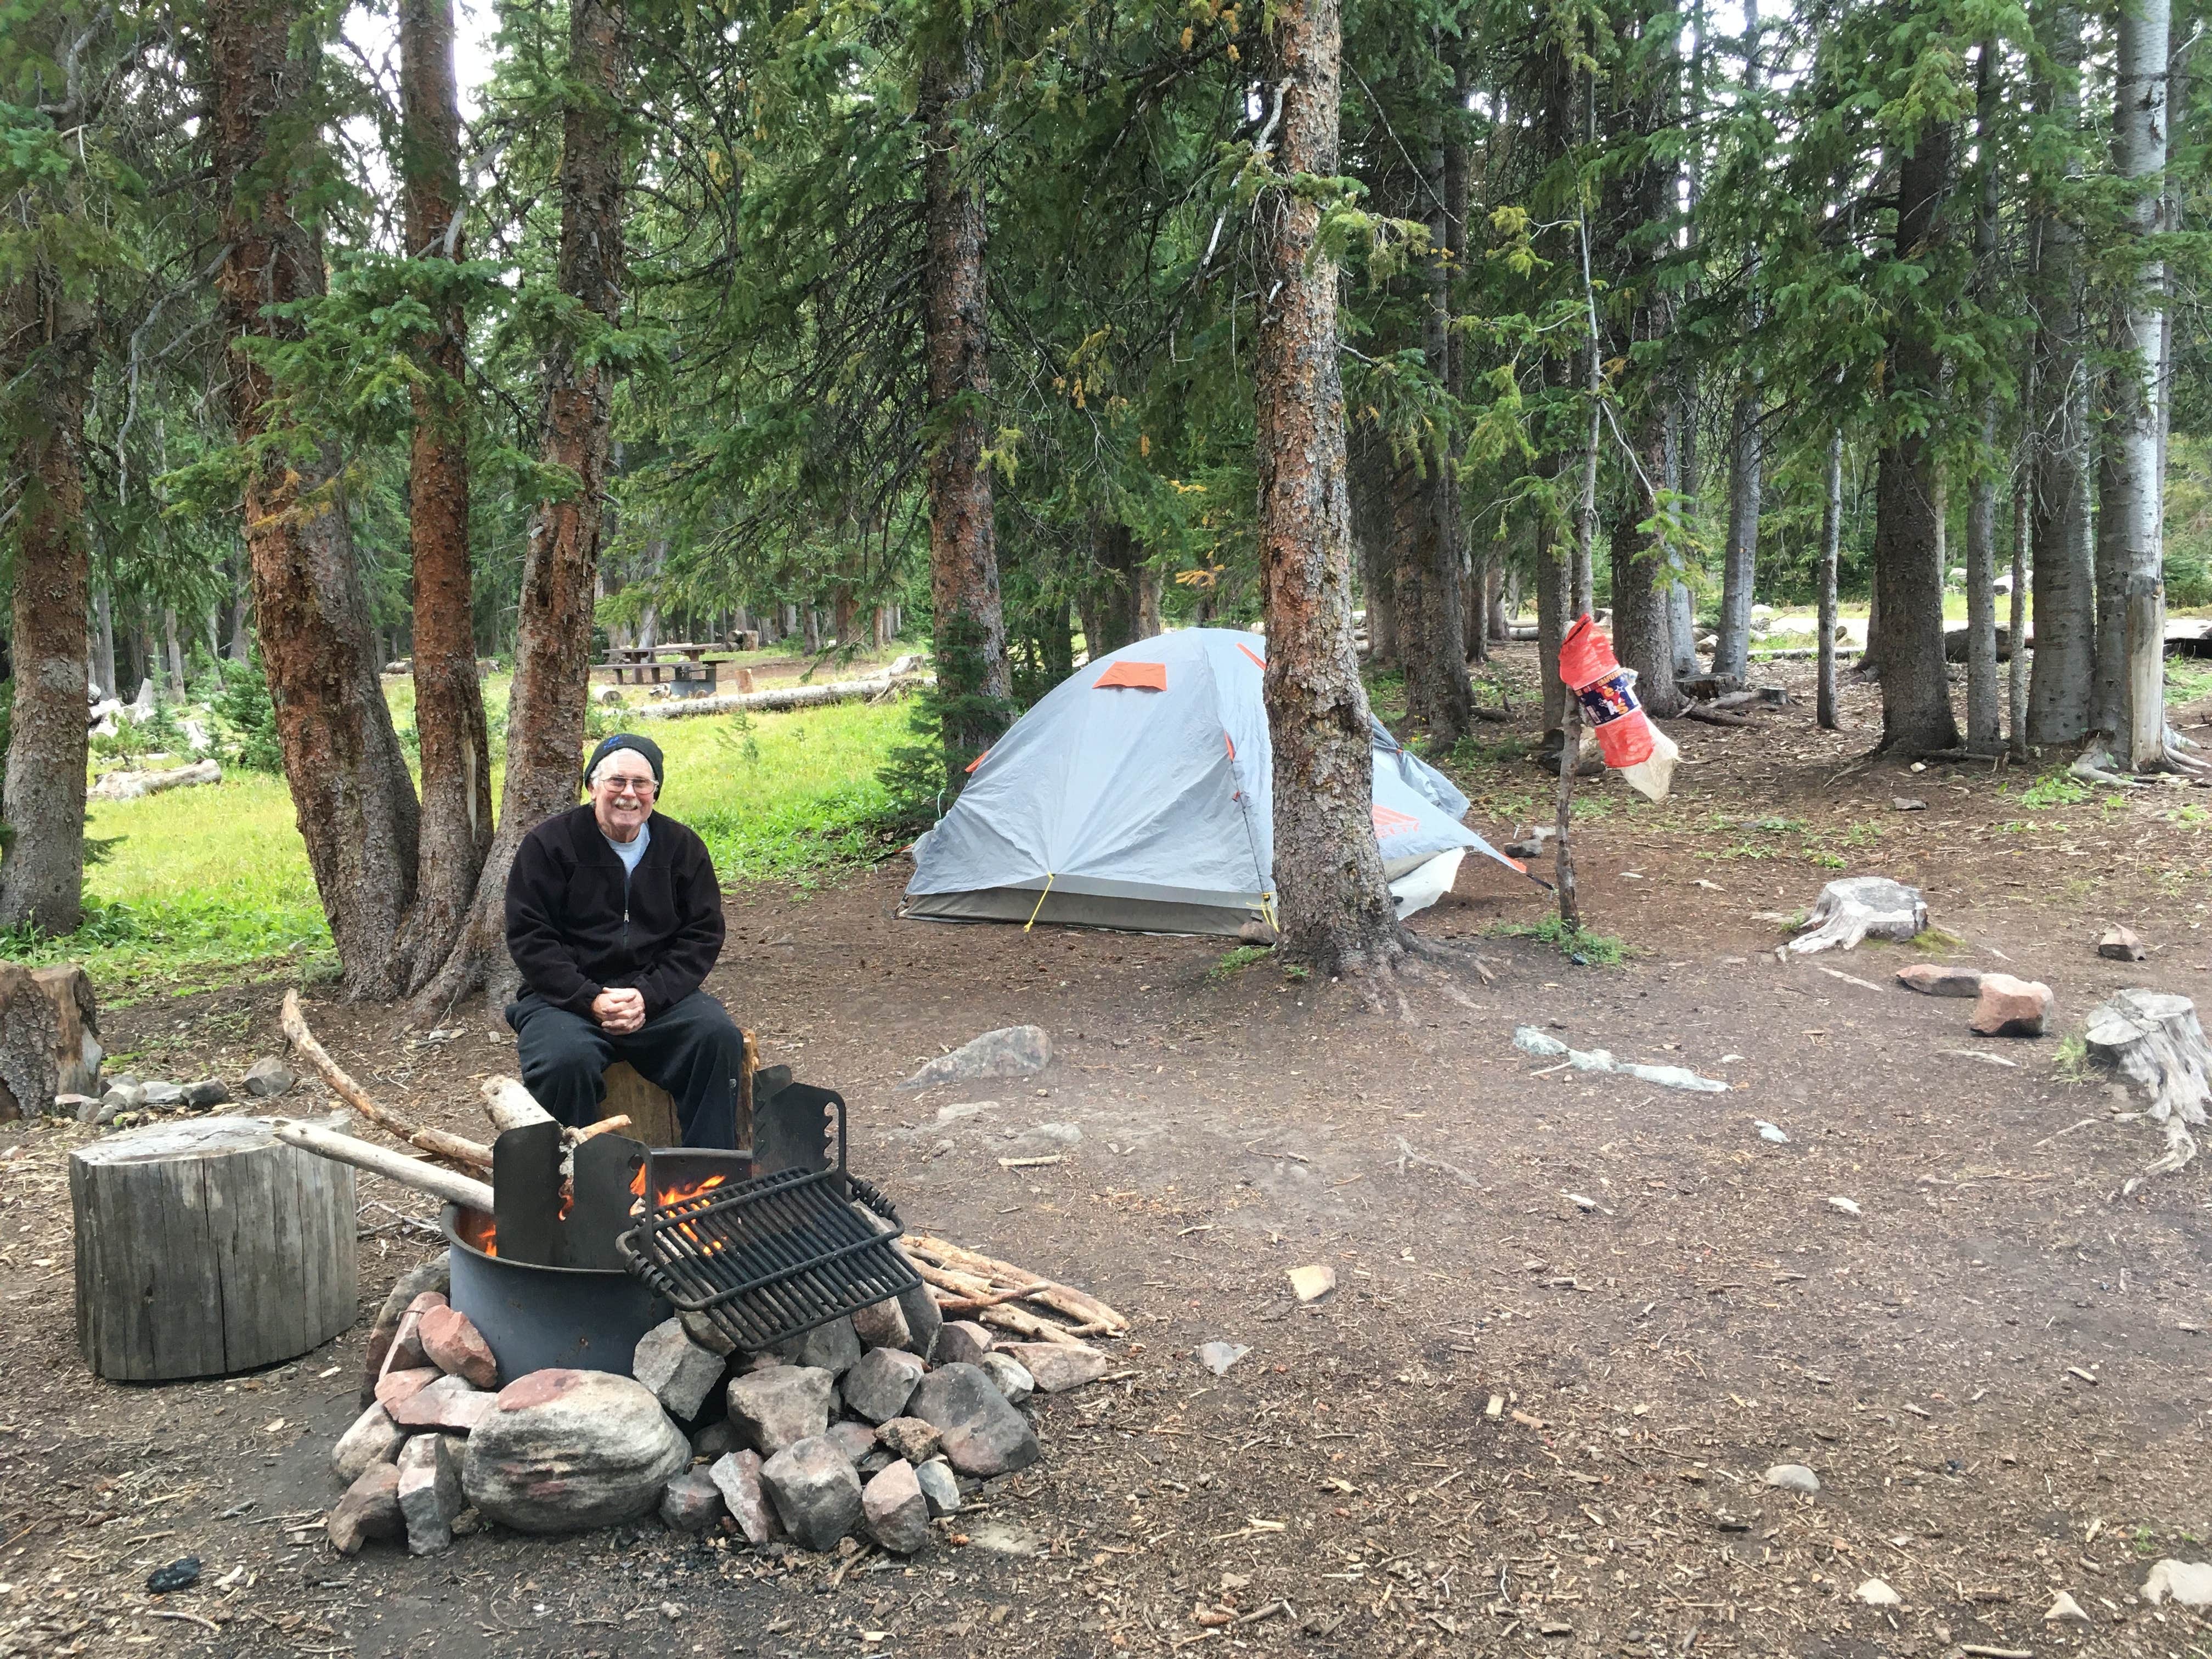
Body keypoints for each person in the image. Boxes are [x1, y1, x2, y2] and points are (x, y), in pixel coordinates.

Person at [504, 731, 744, 1147]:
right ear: (593, 786)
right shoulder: (548, 846)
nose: (628, 794)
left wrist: (648, 996)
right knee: (563, 1061)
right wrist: (589, 998)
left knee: (716, 1038)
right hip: (565, 1001)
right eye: (616, 782)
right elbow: (530, 936)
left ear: (656, 791)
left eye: (641, 783)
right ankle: (575, 1187)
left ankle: (708, 1180)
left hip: (657, 997)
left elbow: (702, 934)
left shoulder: (681, 848)